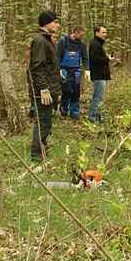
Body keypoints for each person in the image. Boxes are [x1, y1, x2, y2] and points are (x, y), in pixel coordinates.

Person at [28, 11, 62, 162]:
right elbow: (37, 67)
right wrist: (43, 89)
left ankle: (43, 147)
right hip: (43, 90)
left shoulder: (46, 40)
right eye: (55, 21)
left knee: (46, 121)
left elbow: (48, 65)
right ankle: (36, 155)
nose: (57, 24)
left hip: (50, 88)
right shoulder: (40, 41)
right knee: (43, 121)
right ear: (46, 23)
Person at [57, 27, 89, 119]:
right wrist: (58, 69)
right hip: (64, 70)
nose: (81, 37)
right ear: (75, 32)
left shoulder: (81, 44)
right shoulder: (63, 41)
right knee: (66, 90)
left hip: (76, 70)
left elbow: (85, 58)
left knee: (76, 91)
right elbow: (57, 56)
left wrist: (87, 69)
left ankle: (74, 112)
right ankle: (63, 110)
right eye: (80, 35)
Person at [88, 26, 112, 123]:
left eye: (105, 32)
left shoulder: (98, 44)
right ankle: (93, 117)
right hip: (98, 75)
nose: (105, 34)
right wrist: (107, 59)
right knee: (98, 97)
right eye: (103, 32)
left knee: (99, 97)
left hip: (101, 74)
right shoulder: (95, 44)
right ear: (97, 33)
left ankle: (98, 116)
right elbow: (94, 59)